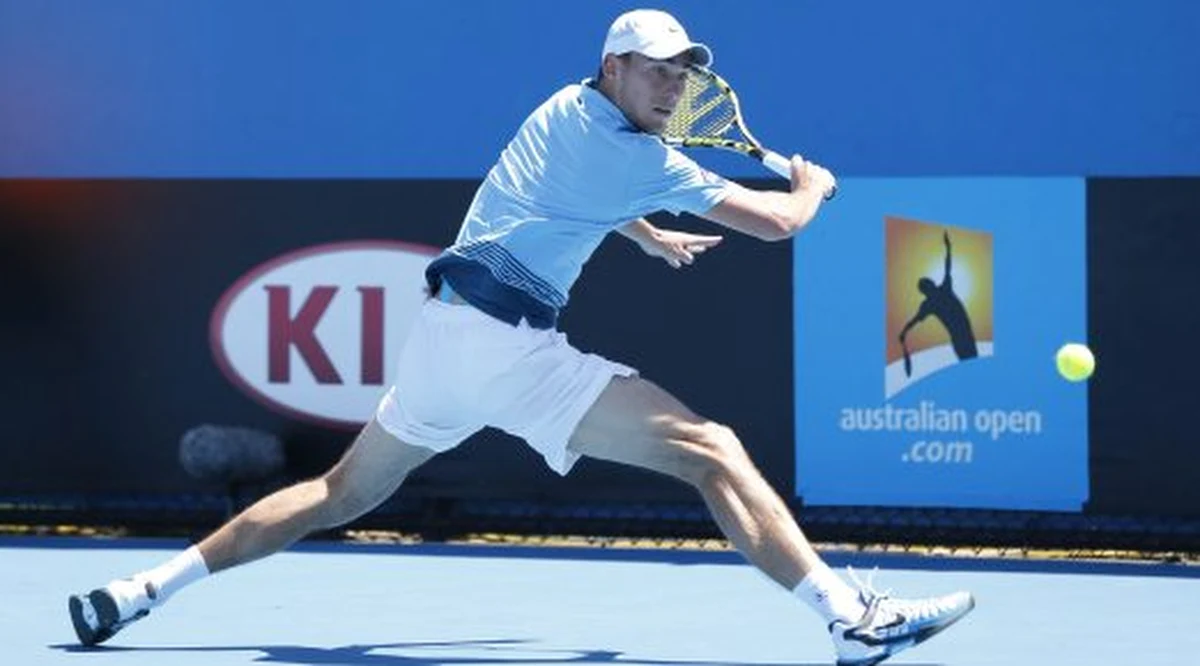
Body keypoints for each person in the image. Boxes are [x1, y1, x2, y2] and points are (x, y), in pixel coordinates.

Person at [69, 9, 974, 665]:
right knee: (714, 451)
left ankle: (139, 592)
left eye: (681, 73)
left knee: (339, 494)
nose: (672, 85)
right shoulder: (637, 155)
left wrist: (645, 230)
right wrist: (812, 190)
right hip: (505, 351)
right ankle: (852, 617)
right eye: (656, 69)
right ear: (613, 67)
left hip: (441, 344)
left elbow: (572, 197)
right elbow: (778, 224)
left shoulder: (567, 110)